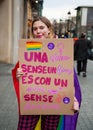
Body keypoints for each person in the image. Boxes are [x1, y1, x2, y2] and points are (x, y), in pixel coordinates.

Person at [12, 16, 81, 130]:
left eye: (41, 27)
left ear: (49, 29)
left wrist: (73, 100)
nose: (38, 31)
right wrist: (19, 74)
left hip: (54, 101)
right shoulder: (31, 46)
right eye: (35, 29)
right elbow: (24, 72)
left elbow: (68, 78)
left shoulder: (60, 48)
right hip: (32, 100)